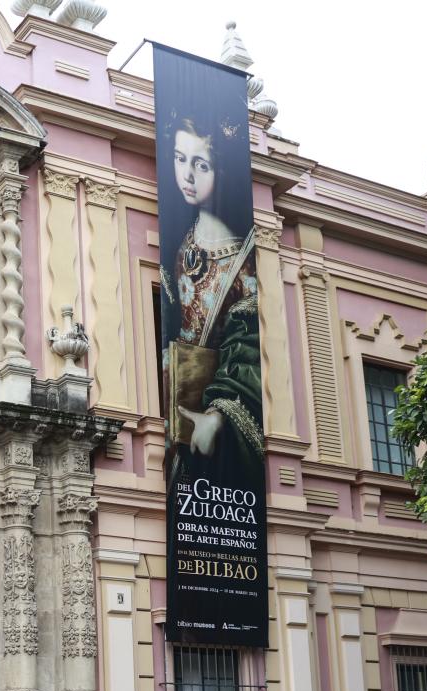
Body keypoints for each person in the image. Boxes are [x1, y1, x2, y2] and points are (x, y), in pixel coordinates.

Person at [162, 115, 263, 489]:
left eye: (200, 164)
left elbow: (247, 354)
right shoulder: (179, 238)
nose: (187, 174)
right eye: (178, 158)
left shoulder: (242, 264)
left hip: (204, 448)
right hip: (170, 431)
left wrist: (217, 417)